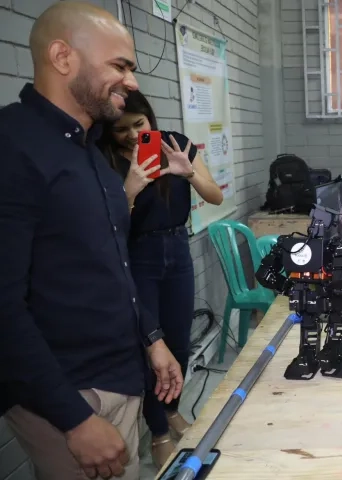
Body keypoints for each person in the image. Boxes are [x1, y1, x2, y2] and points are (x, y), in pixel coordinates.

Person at [0, 2, 184, 480]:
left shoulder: (90, 152)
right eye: (119, 66)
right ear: (63, 58)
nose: (133, 82)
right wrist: (74, 419)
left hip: (119, 376)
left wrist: (152, 339)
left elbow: (111, 266)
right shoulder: (13, 146)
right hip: (72, 394)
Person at [97, 90, 223, 467]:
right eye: (122, 130)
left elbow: (215, 196)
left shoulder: (175, 146)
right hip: (137, 257)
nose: (134, 136)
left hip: (177, 249)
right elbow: (111, 226)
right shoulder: (104, 158)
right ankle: (159, 433)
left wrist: (189, 174)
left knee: (179, 344)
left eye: (139, 125)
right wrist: (131, 186)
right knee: (152, 350)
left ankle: (169, 410)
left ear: (150, 118)